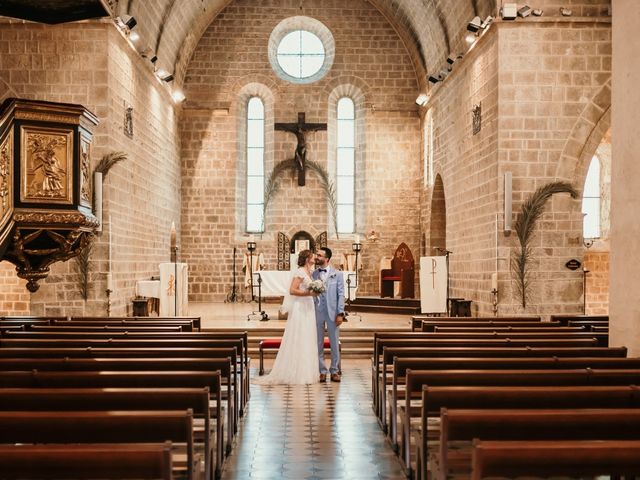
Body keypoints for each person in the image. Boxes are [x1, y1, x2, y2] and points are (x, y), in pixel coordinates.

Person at [253, 249, 319, 385]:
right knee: (299, 336)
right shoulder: (300, 271)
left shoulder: (310, 272)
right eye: (313, 256)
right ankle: (296, 372)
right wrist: (309, 294)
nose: (315, 258)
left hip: (308, 306)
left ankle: (306, 370)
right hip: (300, 307)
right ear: (307, 259)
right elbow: (292, 290)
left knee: (307, 336)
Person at [313, 247, 345, 382]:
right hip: (317, 312)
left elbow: (341, 294)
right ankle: (321, 370)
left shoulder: (337, 274)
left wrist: (340, 313)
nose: (316, 257)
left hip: (333, 313)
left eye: (319, 255)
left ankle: (334, 370)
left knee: (334, 342)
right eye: (317, 255)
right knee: (318, 342)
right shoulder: (313, 274)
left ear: (327, 259)